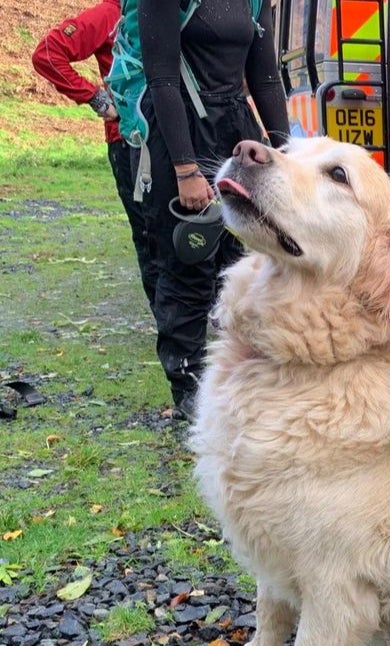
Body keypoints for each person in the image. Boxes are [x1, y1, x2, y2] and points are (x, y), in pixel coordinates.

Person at [136, 0, 289, 420]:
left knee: (249, 258)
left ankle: (245, 375)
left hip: (235, 124)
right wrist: (185, 168)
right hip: (180, 125)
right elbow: (162, 78)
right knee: (189, 258)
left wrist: (284, 154)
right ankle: (187, 386)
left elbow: (266, 77)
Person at [32, 0, 157, 305]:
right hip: (130, 140)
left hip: (178, 137)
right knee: (149, 235)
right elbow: (48, 53)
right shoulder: (111, 13)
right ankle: (171, 325)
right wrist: (97, 99)